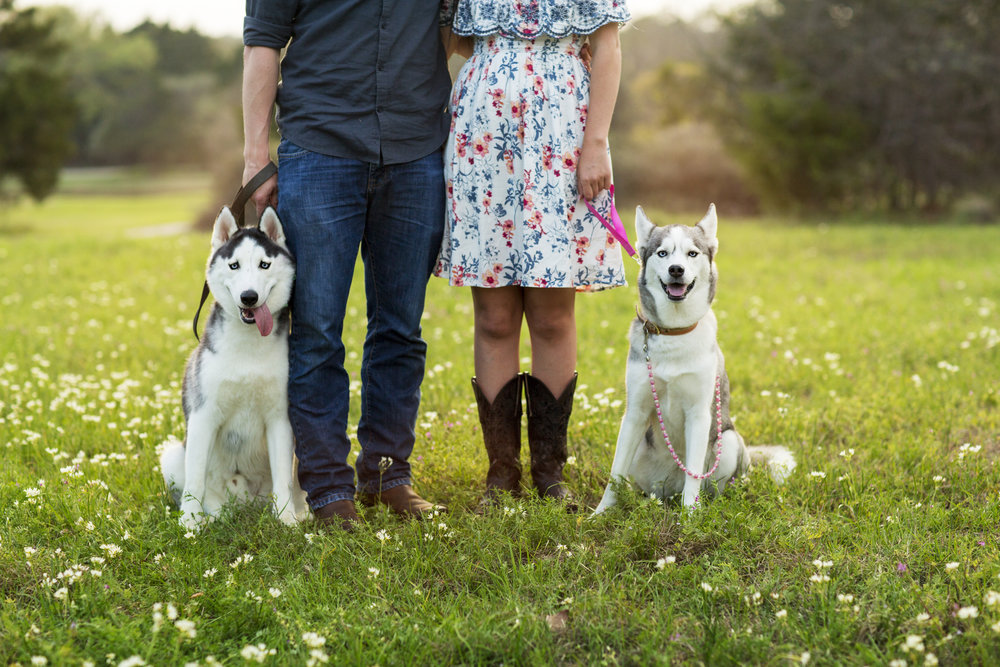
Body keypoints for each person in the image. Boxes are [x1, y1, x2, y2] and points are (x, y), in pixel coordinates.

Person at [242, 1, 454, 529]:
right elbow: (263, 43)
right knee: (315, 330)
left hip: (417, 150)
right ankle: (327, 487)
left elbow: (455, 35)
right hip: (318, 150)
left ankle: (387, 475)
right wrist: (254, 155)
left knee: (401, 327)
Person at [435, 0, 630, 506]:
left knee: (552, 317)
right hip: (482, 138)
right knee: (494, 316)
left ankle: (550, 474)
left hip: (562, 136)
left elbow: (608, 48)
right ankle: (501, 475)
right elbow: (452, 42)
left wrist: (597, 144)